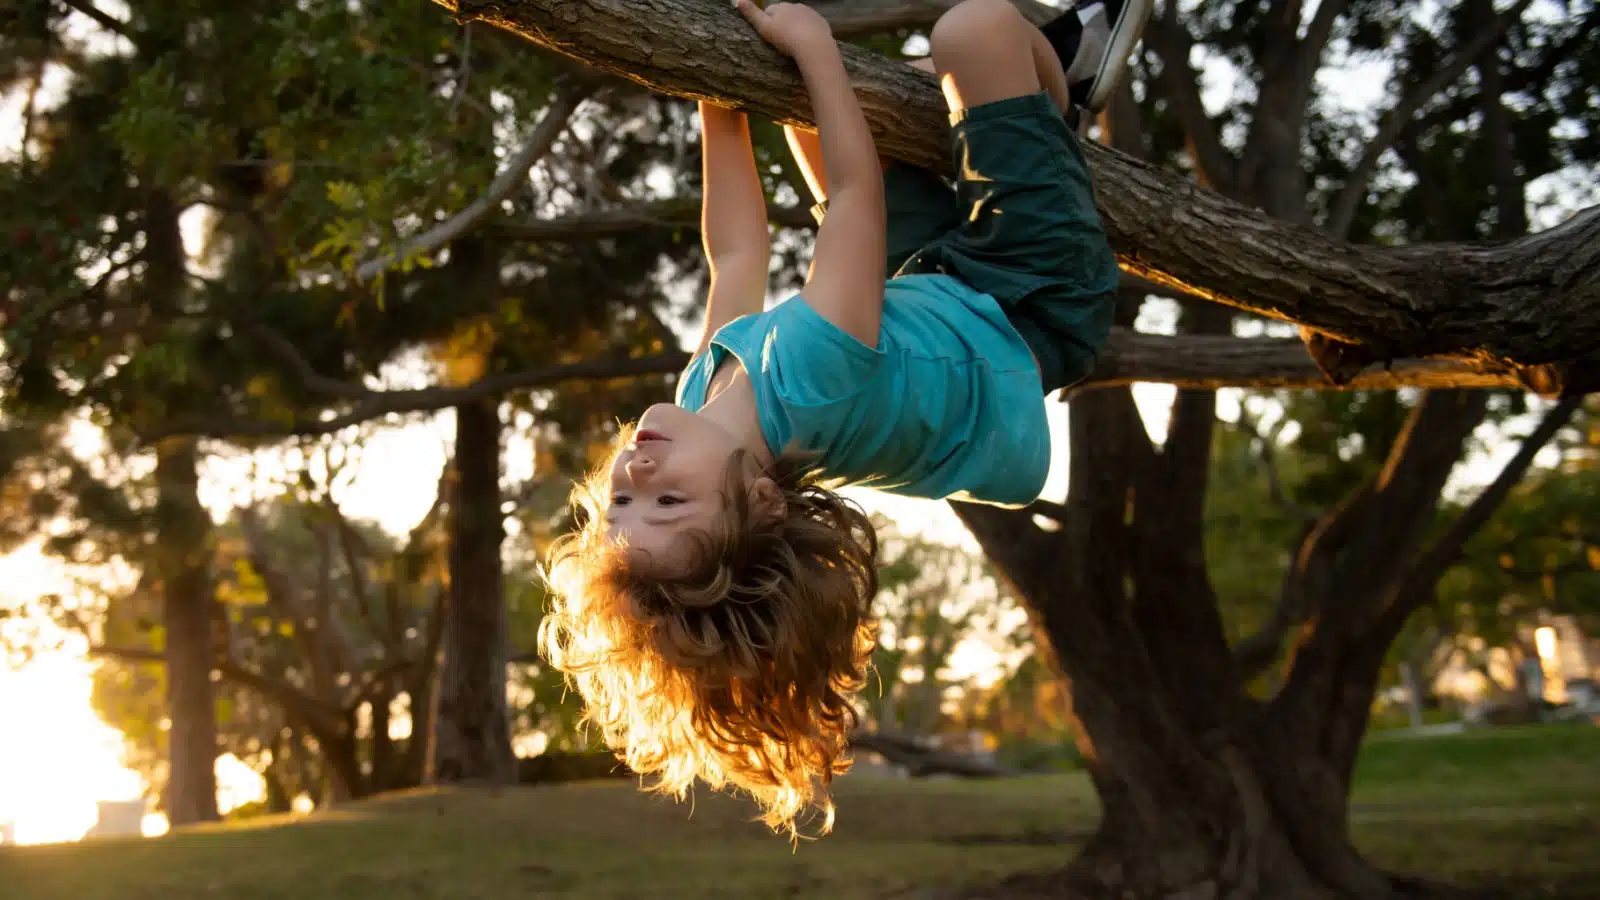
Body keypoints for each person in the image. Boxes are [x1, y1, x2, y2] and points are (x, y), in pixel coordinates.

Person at [540, 0, 1152, 838]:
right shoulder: (813, 382)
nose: (636, 474)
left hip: (925, 283)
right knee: (970, 34)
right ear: (762, 502)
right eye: (669, 502)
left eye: (621, 504)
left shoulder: (701, 399)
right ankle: (1063, 82)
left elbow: (738, 252)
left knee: (808, 120)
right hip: (1034, 295)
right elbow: (855, 197)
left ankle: (1006, 111)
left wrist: (717, 102)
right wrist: (814, 44)